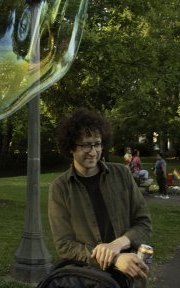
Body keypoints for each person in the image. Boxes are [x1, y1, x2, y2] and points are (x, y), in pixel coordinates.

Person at [48, 108, 152, 287]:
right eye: (85, 145)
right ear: (71, 147)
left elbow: (144, 224)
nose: (93, 151)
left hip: (129, 272)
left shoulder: (122, 174)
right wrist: (114, 258)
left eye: (97, 144)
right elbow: (65, 245)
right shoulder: (60, 188)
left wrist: (117, 245)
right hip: (88, 277)